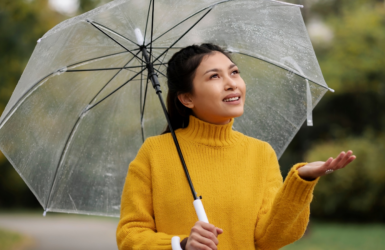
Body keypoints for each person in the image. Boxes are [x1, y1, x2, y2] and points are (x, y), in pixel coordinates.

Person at [116, 43, 356, 250]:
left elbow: (270, 239)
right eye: (214, 76)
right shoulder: (155, 152)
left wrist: (300, 181)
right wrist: (181, 244)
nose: (231, 83)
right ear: (187, 98)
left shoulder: (260, 153)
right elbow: (130, 235)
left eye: (234, 72)